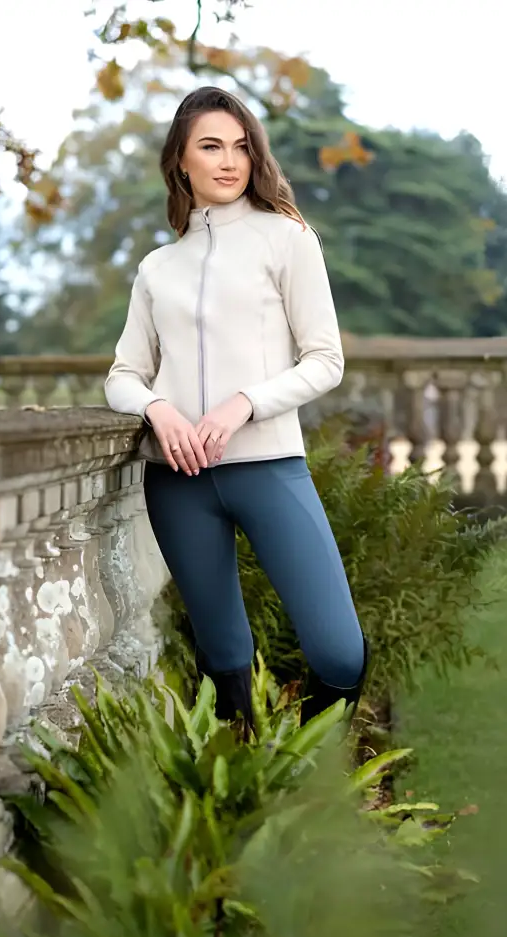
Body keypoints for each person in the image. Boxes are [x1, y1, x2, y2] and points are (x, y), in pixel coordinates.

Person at [104, 86, 367, 731]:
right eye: (211, 146)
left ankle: (317, 775)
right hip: (177, 481)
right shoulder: (157, 268)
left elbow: (325, 360)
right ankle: (243, 784)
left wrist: (242, 405)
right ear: (180, 162)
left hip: (269, 468)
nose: (230, 161)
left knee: (338, 649)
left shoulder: (288, 239)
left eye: (242, 146)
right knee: (223, 653)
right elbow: (123, 376)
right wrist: (158, 411)